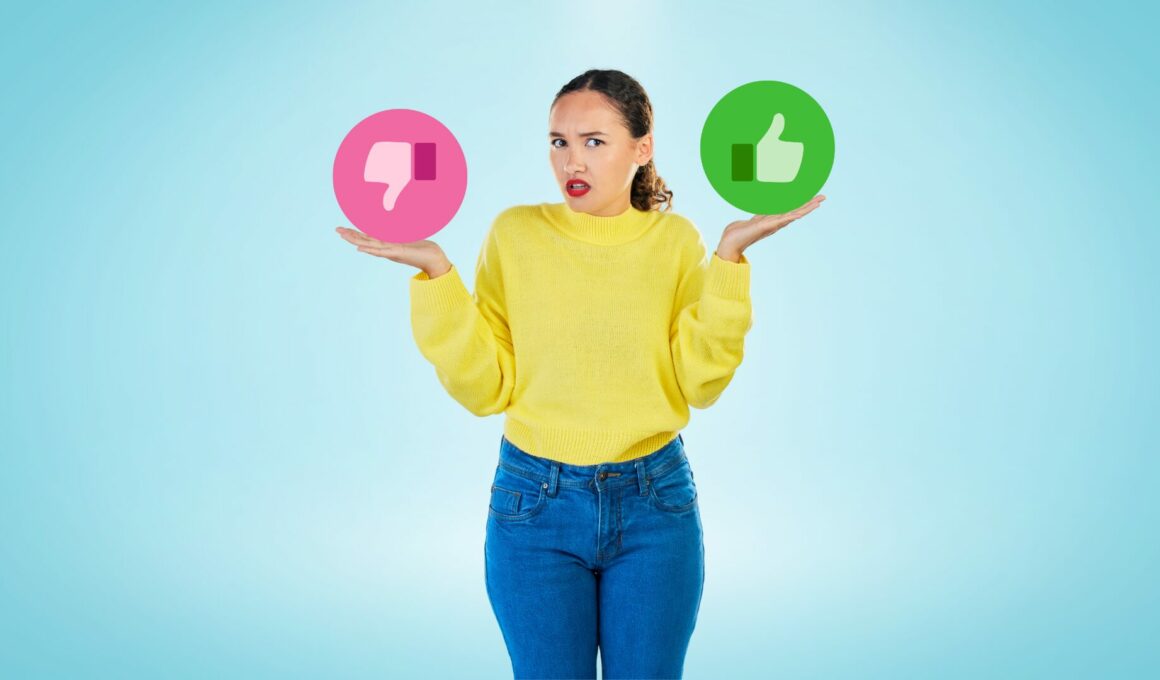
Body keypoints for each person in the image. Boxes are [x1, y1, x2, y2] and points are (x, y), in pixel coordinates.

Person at [337, 68, 825, 679]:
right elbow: (488, 387)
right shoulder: (515, 234)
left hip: (656, 504)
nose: (572, 159)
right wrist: (437, 274)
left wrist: (728, 259)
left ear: (642, 149)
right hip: (533, 506)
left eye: (594, 141)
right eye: (558, 141)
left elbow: (699, 382)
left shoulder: (676, 242)